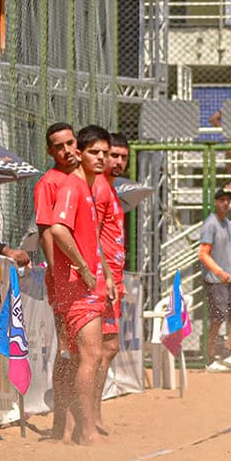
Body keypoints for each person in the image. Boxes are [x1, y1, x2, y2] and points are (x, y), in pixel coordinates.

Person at [47, 125, 116, 446]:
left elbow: (92, 240)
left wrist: (104, 273)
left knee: (82, 357)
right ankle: (85, 430)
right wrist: (83, 268)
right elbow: (58, 230)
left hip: (87, 284)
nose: (101, 158)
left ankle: (74, 427)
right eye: (94, 152)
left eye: (105, 152)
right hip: (78, 287)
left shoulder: (86, 187)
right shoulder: (72, 187)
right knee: (90, 356)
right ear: (80, 154)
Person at [34, 122, 80, 439]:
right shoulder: (48, 183)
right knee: (66, 350)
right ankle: (60, 424)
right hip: (66, 280)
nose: (66, 150)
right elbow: (47, 232)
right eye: (58, 146)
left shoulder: (84, 179)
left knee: (84, 352)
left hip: (85, 279)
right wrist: (59, 273)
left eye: (70, 143)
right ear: (50, 151)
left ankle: (79, 422)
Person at [91, 132, 127, 435]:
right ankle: (90, 414)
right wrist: (107, 276)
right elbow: (94, 233)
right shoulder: (100, 188)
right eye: (113, 155)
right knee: (102, 349)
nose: (117, 161)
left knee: (108, 348)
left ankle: (92, 413)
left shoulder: (111, 189)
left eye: (122, 157)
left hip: (113, 278)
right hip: (105, 280)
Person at [198, 189, 231, 372]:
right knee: (217, 320)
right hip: (216, 281)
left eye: (227, 200)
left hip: (230, 280)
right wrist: (219, 272)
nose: (225, 203)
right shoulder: (210, 224)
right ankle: (210, 359)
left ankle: (226, 352)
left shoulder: (227, 223)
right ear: (215, 202)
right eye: (222, 200)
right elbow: (203, 254)